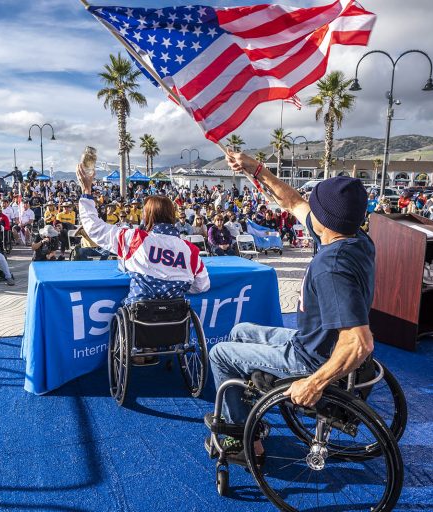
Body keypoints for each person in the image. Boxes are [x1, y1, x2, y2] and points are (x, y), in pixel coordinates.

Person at [210, 151, 374, 461]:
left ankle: (243, 439)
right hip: (310, 341)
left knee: (219, 354)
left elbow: (360, 343)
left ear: (323, 220)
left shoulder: (332, 267)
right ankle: (246, 406)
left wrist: (314, 383)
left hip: (310, 359)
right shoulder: (354, 237)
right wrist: (257, 170)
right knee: (241, 331)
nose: (307, 208)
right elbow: (291, 202)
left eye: (315, 207)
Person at [76, 161, 210, 305]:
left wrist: (86, 191)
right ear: (172, 216)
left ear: (147, 217)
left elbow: (94, 228)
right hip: (176, 320)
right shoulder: (190, 250)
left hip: (140, 319)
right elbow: (202, 285)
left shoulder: (135, 239)